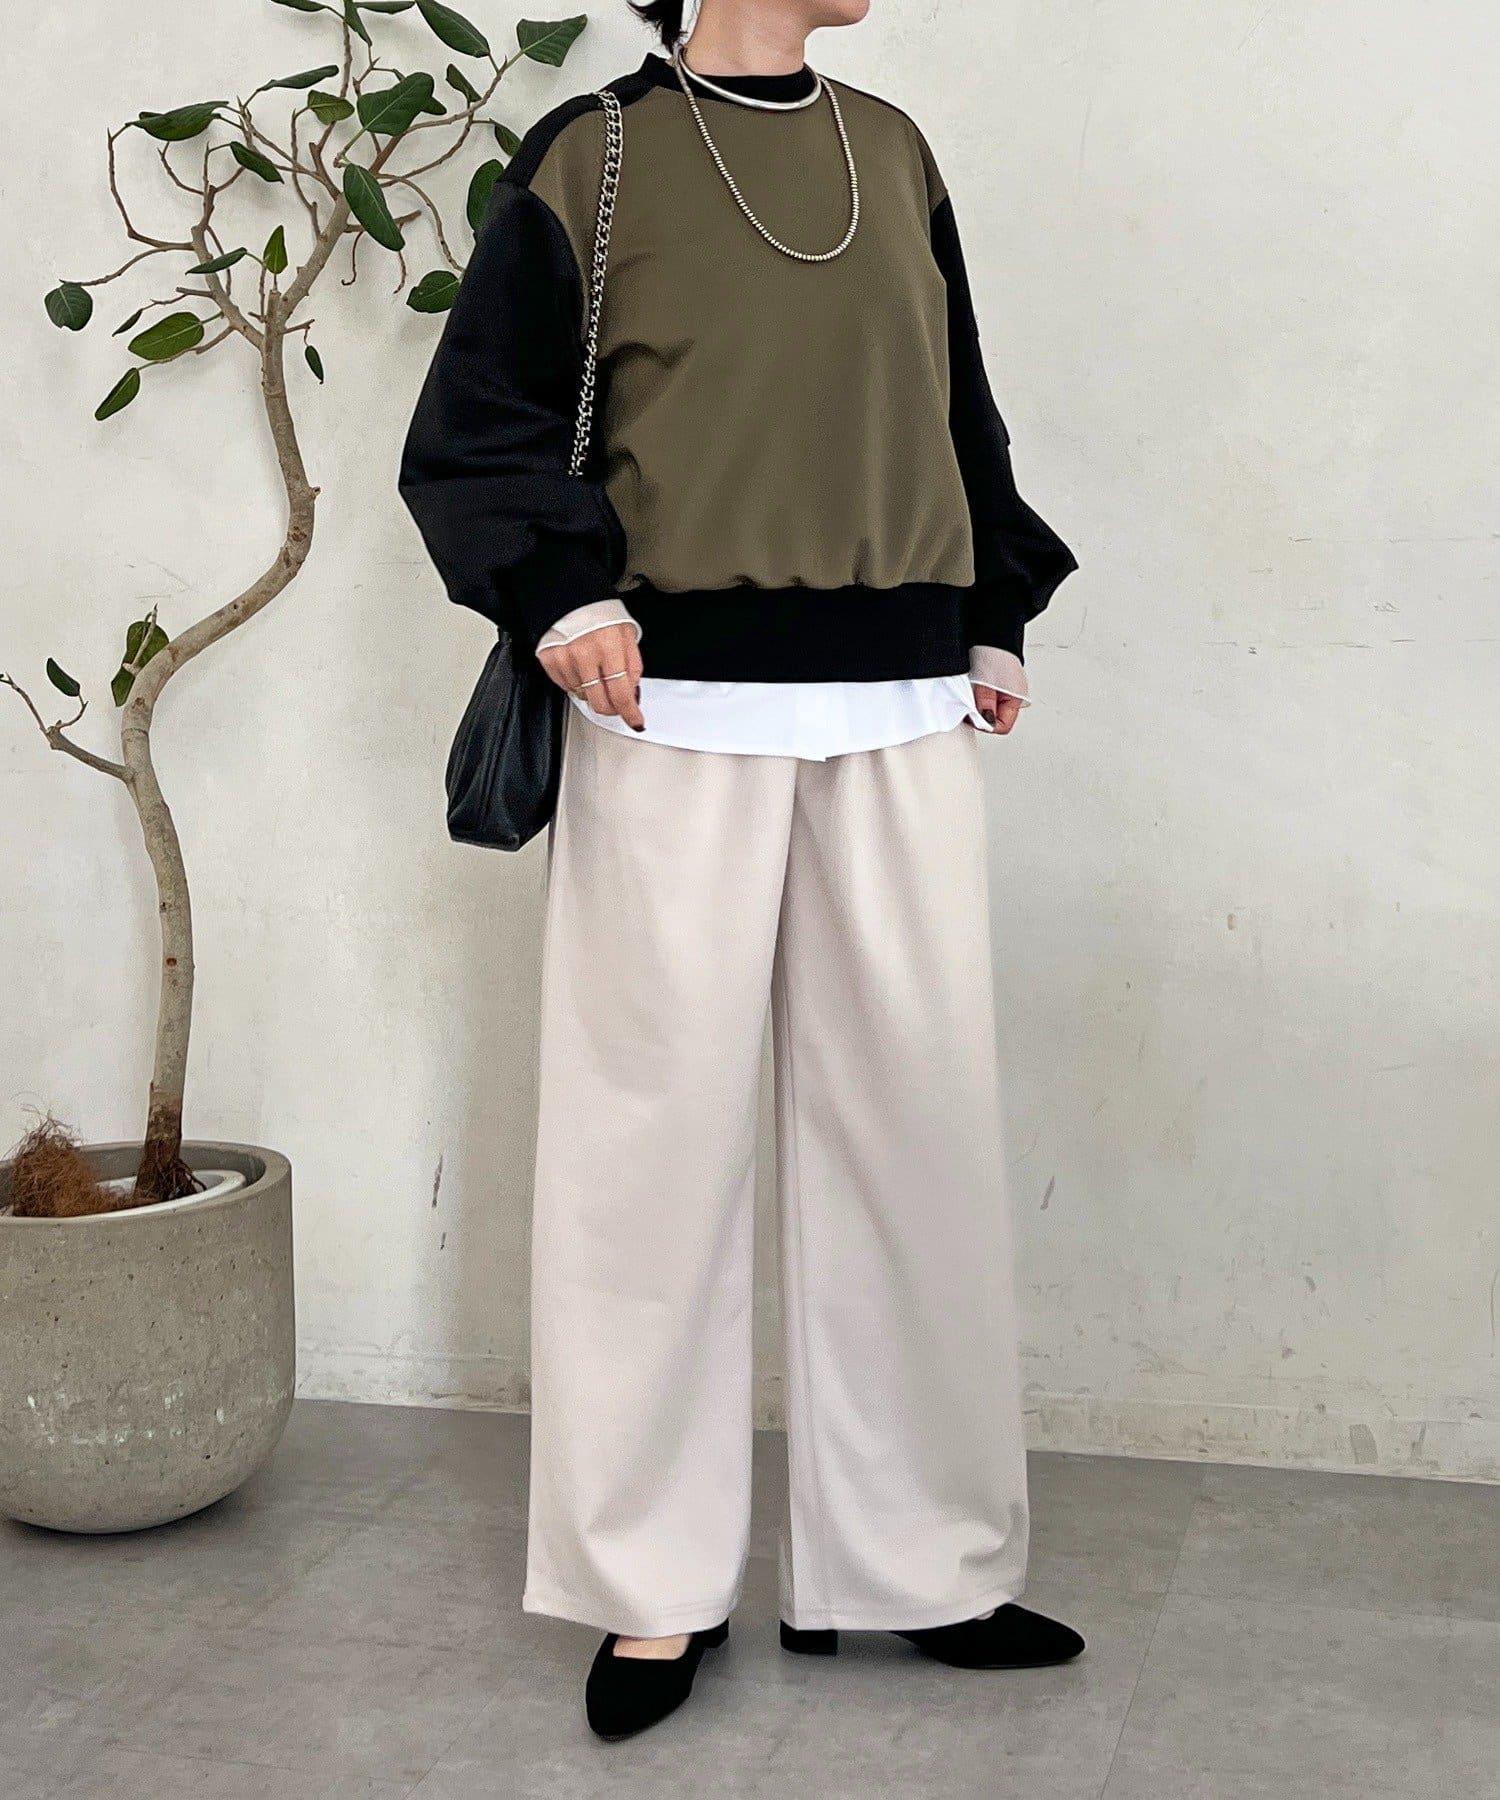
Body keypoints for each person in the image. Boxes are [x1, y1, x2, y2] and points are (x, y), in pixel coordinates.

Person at [400, 0, 1083, 1741]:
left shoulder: (894, 151)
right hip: (672, 710)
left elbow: (956, 407)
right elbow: (477, 420)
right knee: (649, 1150)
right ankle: (649, 1591)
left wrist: (991, 610)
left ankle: (923, 1566)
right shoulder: (597, 156)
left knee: (920, 1132)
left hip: (903, 701)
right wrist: (560, 592)